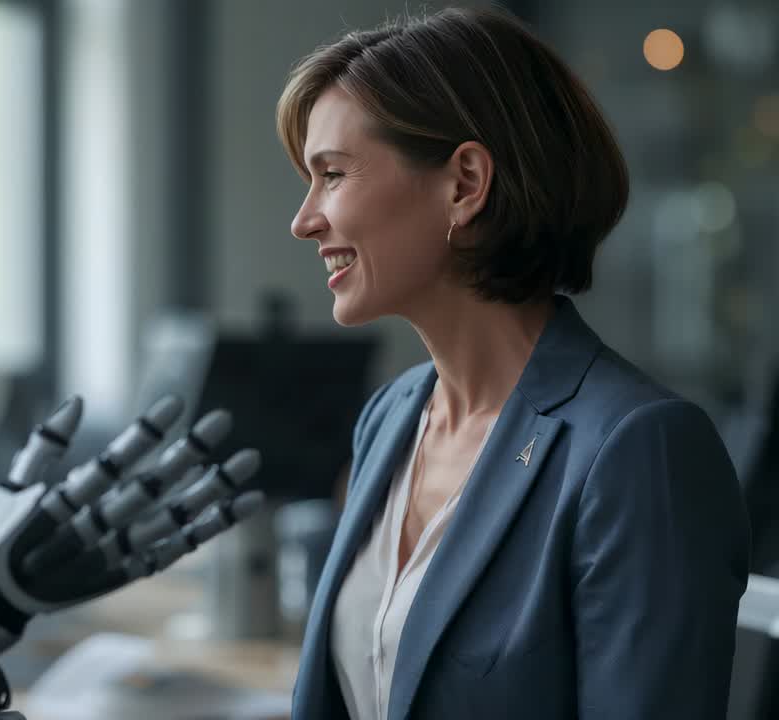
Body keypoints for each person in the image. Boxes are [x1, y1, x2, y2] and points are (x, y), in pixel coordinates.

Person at [277, 7, 750, 719]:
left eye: (333, 174)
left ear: (465, 183)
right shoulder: (391, 418)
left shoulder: (639, 450)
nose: (304, 219)